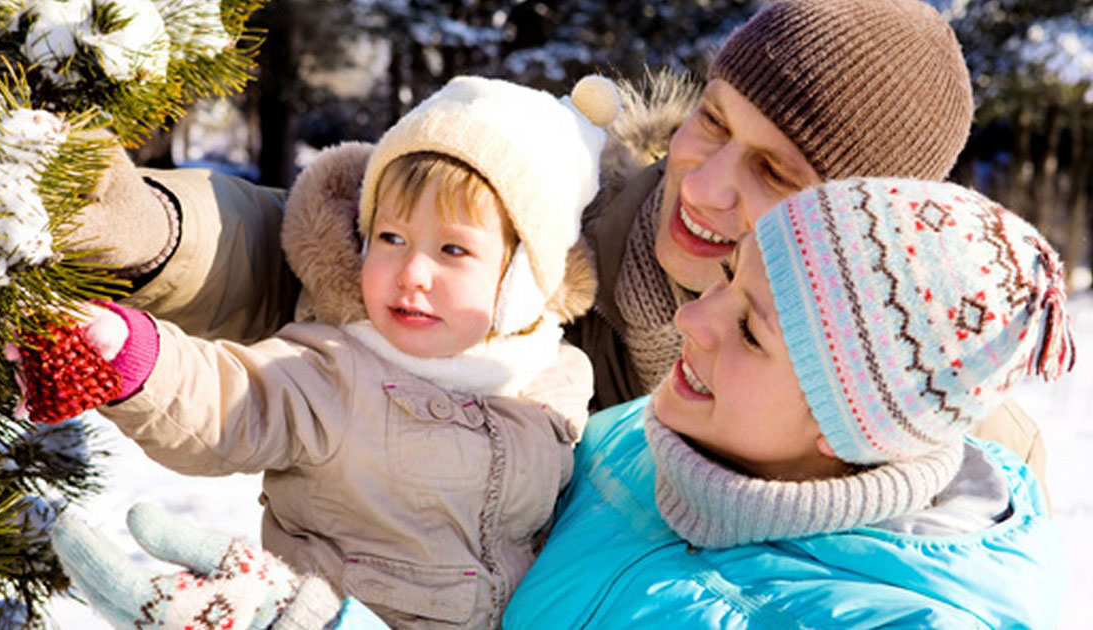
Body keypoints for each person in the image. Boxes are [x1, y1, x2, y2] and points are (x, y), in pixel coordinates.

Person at [70, 0, 1049, 483]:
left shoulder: (932, 443)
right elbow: (323, 247)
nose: (702, 186)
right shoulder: (555, 224)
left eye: (777, 173)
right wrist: (148, 227)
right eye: (714, 122)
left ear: (857, 229)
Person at [52, 177, 1073, 628]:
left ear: (860, 428)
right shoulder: (635, 443)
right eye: (727, 283)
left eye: (754, 328)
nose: (700, 324)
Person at [42, 75, 621, 628]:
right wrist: (133, 357)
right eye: (391, 238)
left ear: (523, 280)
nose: (412, 272)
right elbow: (231, 399)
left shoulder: (557, 378)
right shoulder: (333, 367)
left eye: (453, 249)